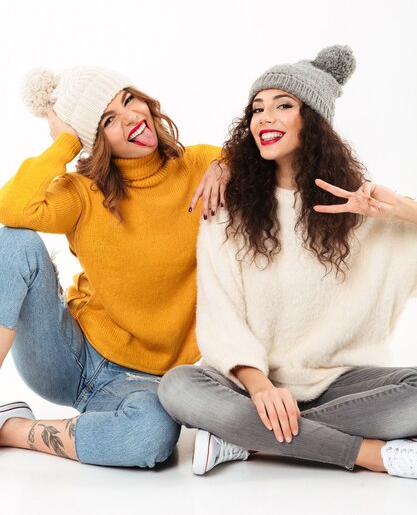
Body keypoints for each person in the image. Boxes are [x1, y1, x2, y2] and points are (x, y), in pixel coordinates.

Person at [158, 45, 417, 480]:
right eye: (257, 108)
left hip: (341, 382)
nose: (265, 118)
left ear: (312, 121)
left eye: (283, 105)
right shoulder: (226, 207)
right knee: (178, 387)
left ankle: (244, 439)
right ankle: (369, 454)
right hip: (248, 386)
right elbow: (219, 315)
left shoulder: (355, 207)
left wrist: (404, 211)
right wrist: (260, 387)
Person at [0, 66, 224, 467]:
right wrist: (67, 141)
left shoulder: (200, 166)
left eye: (127, 100)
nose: (130, 118)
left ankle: (12, 429)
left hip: (141, 383)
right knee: (13, 240)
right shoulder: (83, 193)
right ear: (95, 140)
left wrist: (229, 166)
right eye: (107, 121)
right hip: (68, 355)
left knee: (150, 437)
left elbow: (260, 166)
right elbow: (12, 208)